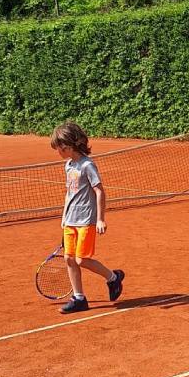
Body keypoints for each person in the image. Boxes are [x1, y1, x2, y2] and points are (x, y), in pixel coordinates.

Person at [50, 121, 125, 314]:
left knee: (82, 259)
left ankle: (113, 278)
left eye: (59, 148)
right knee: (69, 259)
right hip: (70, 220)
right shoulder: (68, 165)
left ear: (68, 146)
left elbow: (99, 191)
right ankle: (79, 298)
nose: (58, 151)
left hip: (86, 220)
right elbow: (69, 193)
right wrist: (64, 216)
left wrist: (100, 219)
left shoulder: (87, 165)